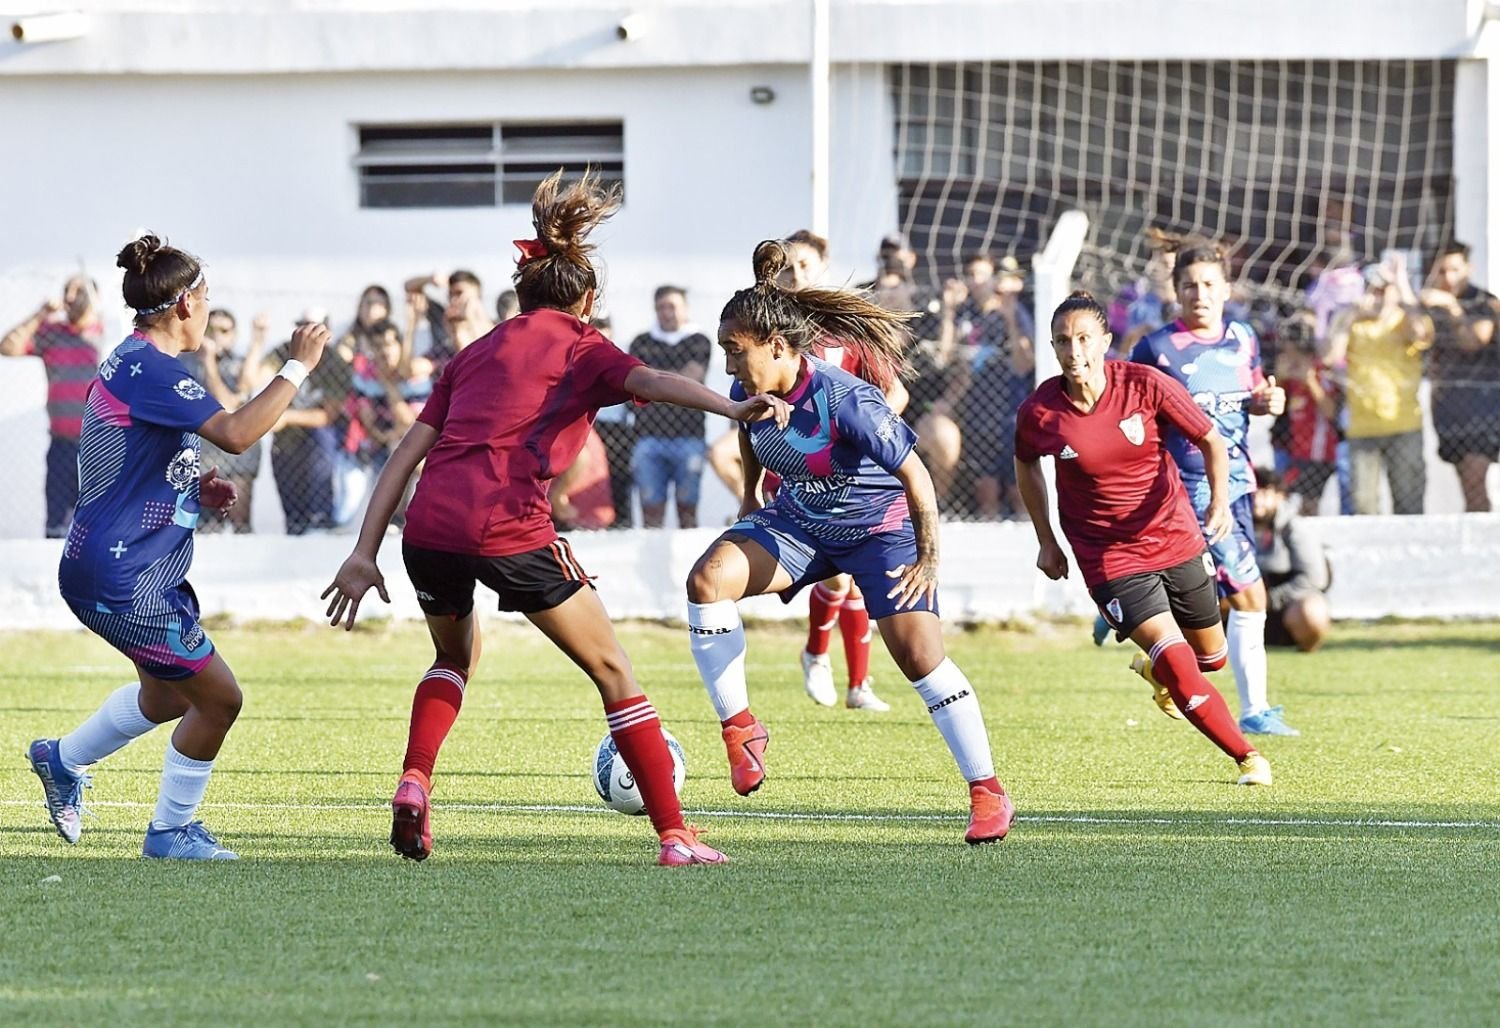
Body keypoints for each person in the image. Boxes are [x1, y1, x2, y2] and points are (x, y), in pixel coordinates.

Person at [320, 170, 790, 868]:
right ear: (589, 301)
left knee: (453, 658)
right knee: (613, 672)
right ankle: (675, 835)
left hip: (429, 527)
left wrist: (365, 552)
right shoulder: (581, 347)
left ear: (520, 295)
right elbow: (656, 383)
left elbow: (403, 457)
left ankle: (415, 780)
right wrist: (733, 408)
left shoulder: (472, 354)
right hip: (509, 525)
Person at [684, 239, 1015, 845]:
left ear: (777, 347)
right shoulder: (746, 391)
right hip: (800, 525)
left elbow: (916, 473)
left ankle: (987, 791)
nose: (729, 367)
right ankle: (741, 731)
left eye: (736, 352)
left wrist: (928, 556)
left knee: (919, 658)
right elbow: (748, 438)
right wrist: (750, 496)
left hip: (878, 533)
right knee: (706, 580)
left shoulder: (847, 398)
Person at [27, 233, 332, 859]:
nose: (209, 307)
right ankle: (170, 832)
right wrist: (296, 365)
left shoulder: (131, 360)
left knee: (166, 695)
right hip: (123, 575)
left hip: (118, 565)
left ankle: (61, 760)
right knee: (220, 699)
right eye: (207, 296)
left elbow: (127, 454)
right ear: (185, 305)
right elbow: (239, 433)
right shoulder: (153, 369)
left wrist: (195, 485)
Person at [1015, 291, 1273, 786]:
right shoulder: (1040, 412)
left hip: (1175, 536)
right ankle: (1247, 756)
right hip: (1107, 556)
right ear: (1053, 348)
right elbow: (1025, 462)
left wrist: (1218, 503)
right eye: (1064, 342)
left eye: (1085, 339)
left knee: (1210, 658)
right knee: (1180, 664)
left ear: (1106, 342)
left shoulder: (1146, 384)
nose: (1075, 352)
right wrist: (1047, 539)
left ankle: (1157, 671)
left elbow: (1209, 439)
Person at [1129, 243, 1299, 737]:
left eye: (1208, 285)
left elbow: (1248, 399)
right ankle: (1254, 711)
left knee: (1212, 602)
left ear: (1226, 290)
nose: (1199, 294)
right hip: (1192, 490)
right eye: (1189, 285)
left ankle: (1142, 642)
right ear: (1175, 291)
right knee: (1250, 596)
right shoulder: (1155, 349)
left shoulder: (1243, 338)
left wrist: (1267, 402)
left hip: (1239, 482)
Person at [1327, 255, 1433, 516]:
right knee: (1364, 506)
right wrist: (1350, 314)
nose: (1378, 297)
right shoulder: (1354, 323)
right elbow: (1329, 356)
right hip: (1362, 429)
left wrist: (1403, 284)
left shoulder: (1404, 321)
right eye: (1372, 290)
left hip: (1404, 426)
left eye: (1384, 290)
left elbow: (1421, 332)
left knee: (1409, 504)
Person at [1, 274, 104, 537]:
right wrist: (40, 314)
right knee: (57, 526)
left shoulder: (103, 331)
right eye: (67, 291)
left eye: (77, 291)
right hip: (61, 443)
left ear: (92, 297)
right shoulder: (52, 333)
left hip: (96, 445)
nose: (70, 298)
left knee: (94, 523)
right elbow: (8, 346)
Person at [1420, 242, 1500, 512]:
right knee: (1468, 486)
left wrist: (1453, 307)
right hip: (1448, 410)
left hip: (1484, 411)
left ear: (1468, 268)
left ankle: (1486, 549)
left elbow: (1474, 340)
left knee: (1475, 483)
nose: (1449, 277)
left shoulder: (1483, 301)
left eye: (1454, 269)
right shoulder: (1432, 305)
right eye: (1442, 270)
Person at [178, 308, 269, 533]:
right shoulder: (184, 363)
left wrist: (209, 362)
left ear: (234, 335)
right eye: (211, 329)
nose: (216, 335)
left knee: (240, 523)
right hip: (200, 457)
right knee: (201, 528)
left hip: (236, 459)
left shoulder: (241, 366)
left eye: (224, 330)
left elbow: (227, 405)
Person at [628, 285, 713, 528]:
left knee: (688, 510)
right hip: (648, 437)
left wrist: (653, 378)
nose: (667, 313)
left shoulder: (699, 340)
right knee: (651, 512)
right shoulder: (641, 342)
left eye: (672, 306)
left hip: (689, 436)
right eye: (661, 307)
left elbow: (692, 376)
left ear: (685, 309)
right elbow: (639, 381)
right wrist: (668, 378)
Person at [266, 308, 353, 534]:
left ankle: (321, 517)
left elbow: (327, 416)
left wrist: (286, 417)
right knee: (281, 453)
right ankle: (295, 523)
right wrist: (257, 341)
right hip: (287, 437)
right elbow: (252, 378)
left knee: (321, 439)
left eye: (314, 328)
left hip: (320, 436)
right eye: (302, 326)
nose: (307, 334)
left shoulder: (335, 362)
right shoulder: (285, 350)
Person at [1251, 467, 1332, 652]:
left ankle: (1306, 645)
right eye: (1252, 493)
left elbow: (1313, 578)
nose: (1257, 500)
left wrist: (1269, 600)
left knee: (1312, 611)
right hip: (1240, 606)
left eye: (1264, 493)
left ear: (1280, 496)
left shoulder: (1295, 528)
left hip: (1282, 608)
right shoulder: (1231, 526)